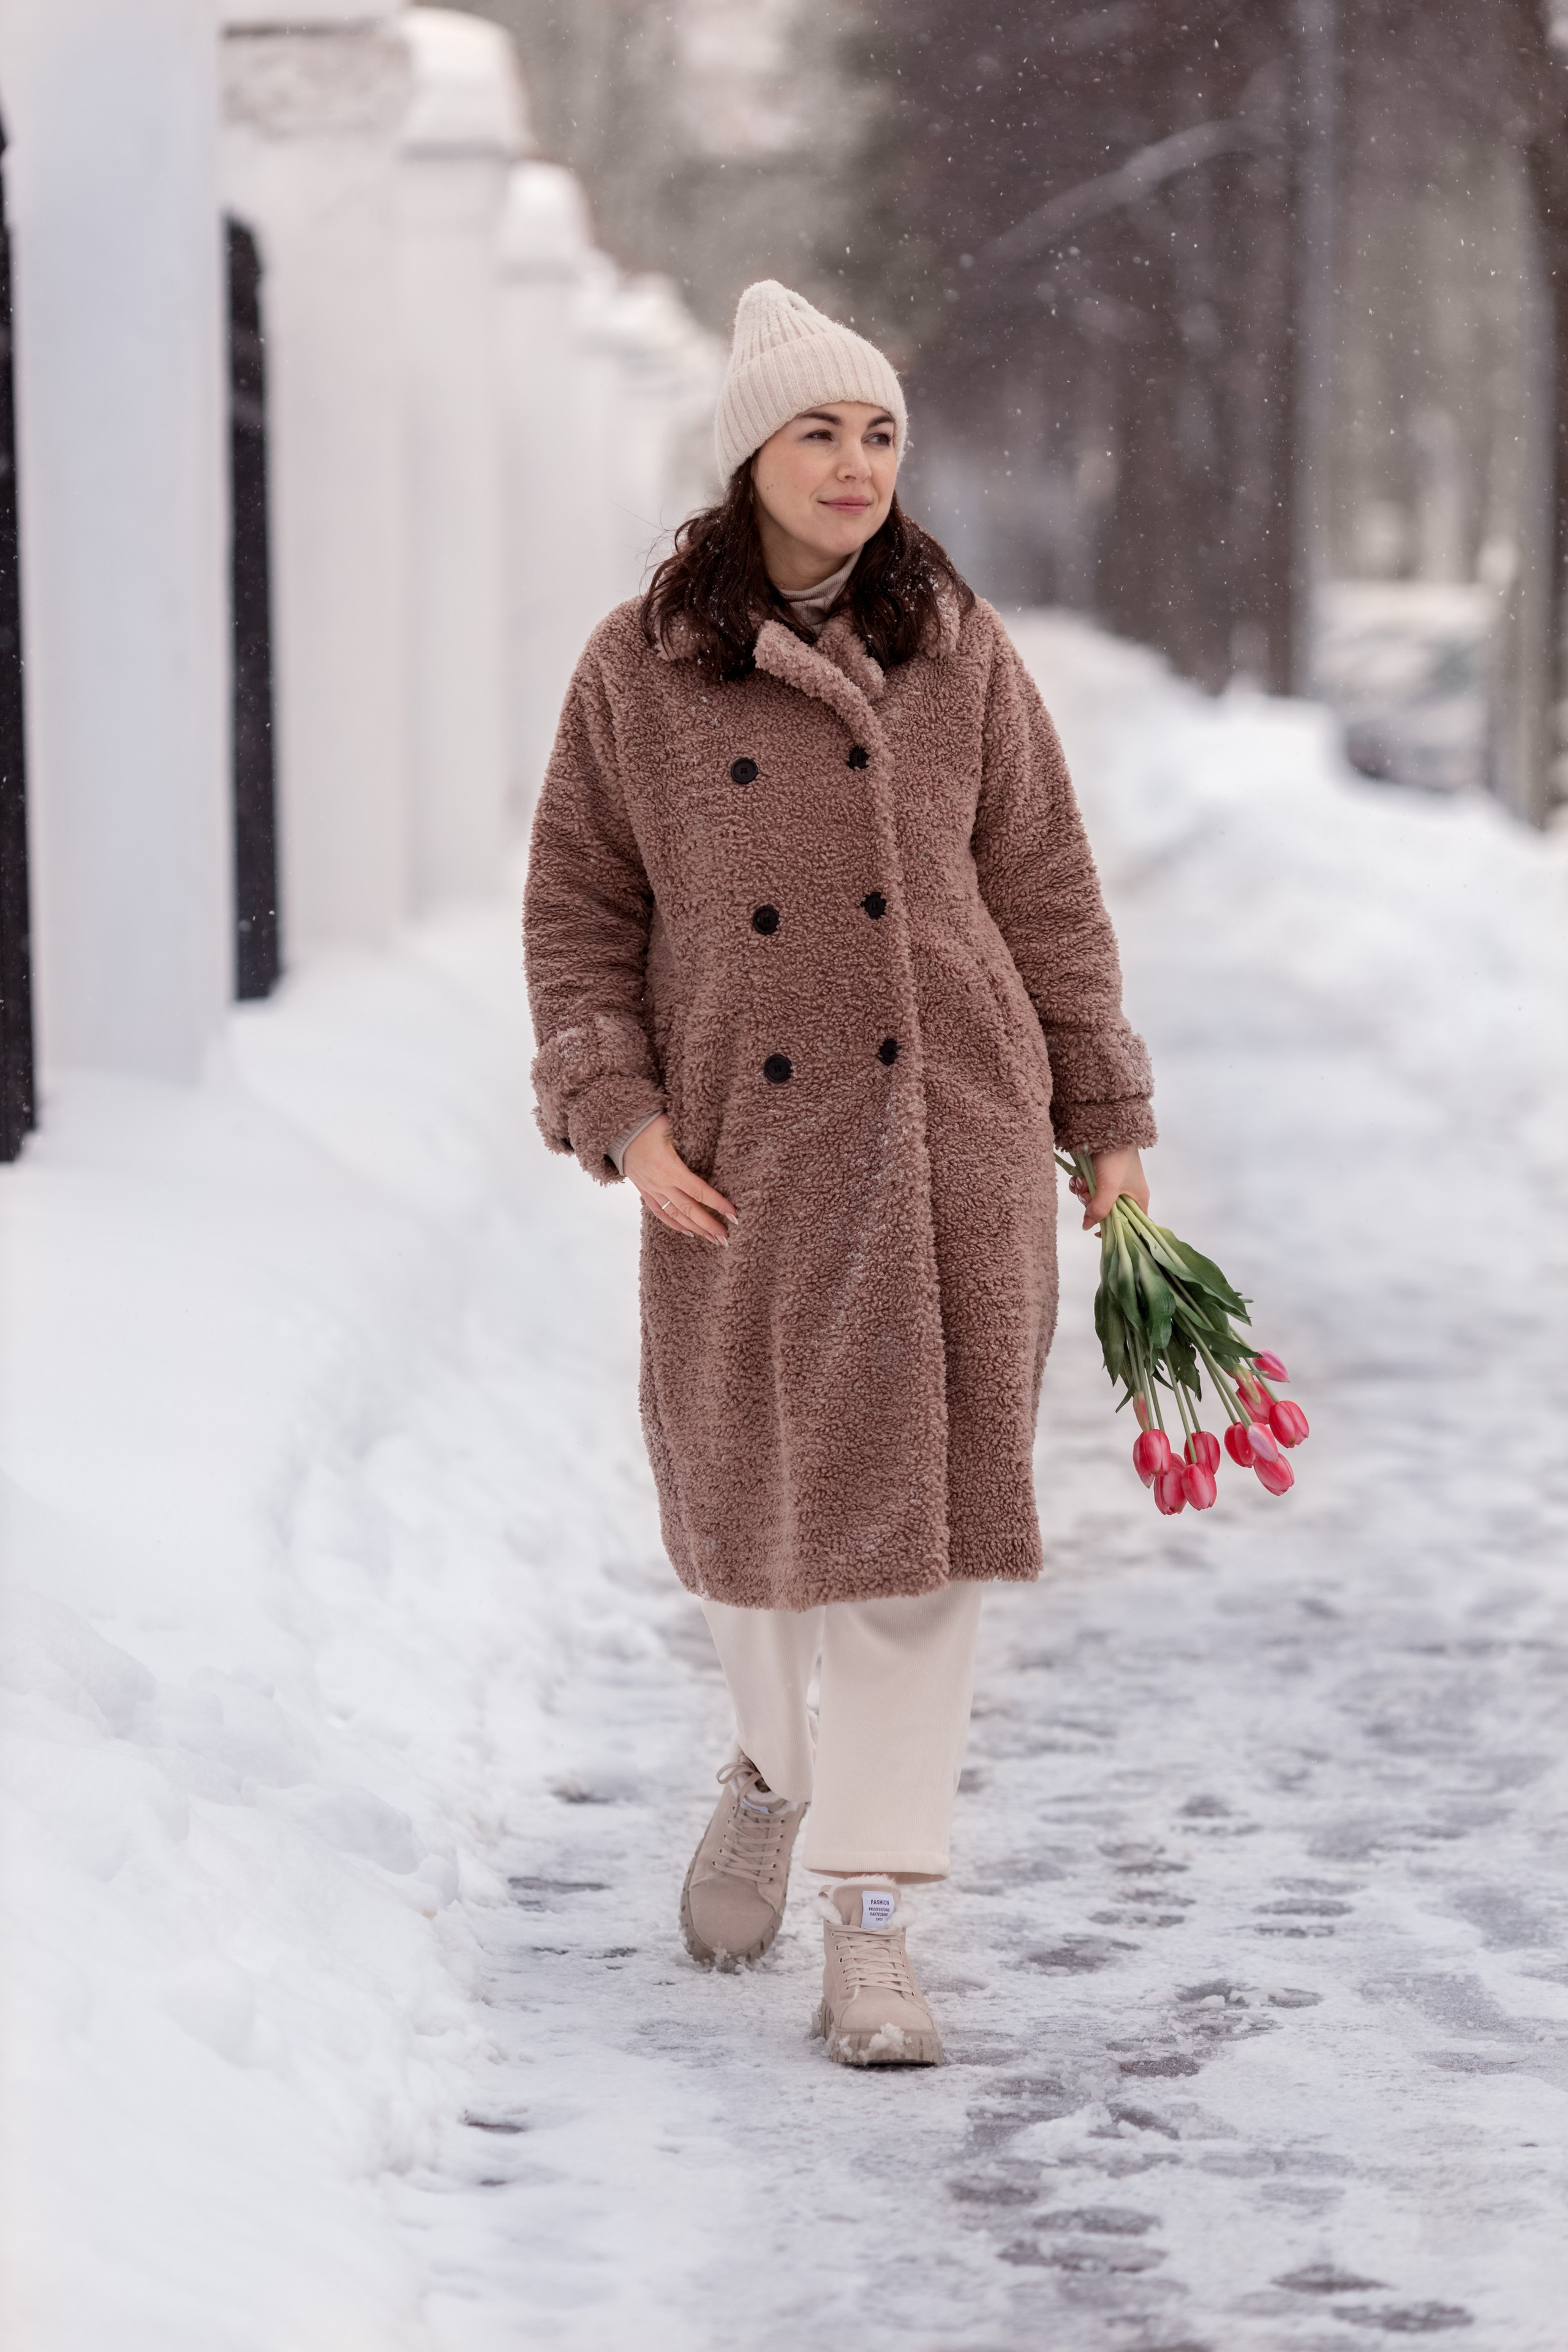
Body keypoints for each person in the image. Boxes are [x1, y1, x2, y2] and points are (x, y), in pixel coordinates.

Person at [523, 281, 1153, 2067]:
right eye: (821, 431)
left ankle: (871, 1919)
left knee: (915, 1554)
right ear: (751, 454)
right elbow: (579, 914)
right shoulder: (638, 667)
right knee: (757, 1538)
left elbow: (1044, 891)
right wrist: (623, 1120)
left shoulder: (959, 647)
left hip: (949, 1137)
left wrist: (1101, 1117)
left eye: (880, 431)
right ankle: (771, 1771)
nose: (858, 463)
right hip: (745, 1155)